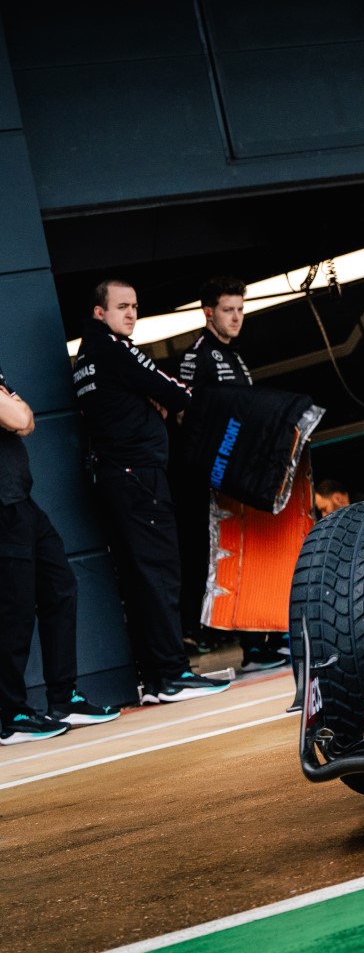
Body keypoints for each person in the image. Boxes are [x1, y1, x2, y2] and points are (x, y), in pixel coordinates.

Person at [72, 280, 231, 703]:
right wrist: (162, 400)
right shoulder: (113, 348)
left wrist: (148, 401)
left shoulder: (85, 358)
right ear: (98, 313)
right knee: (160, 574)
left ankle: (158, 678)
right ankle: (174, 675)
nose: (131, 314)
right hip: (138, 477)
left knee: (142, 579)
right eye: (122, 306)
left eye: (135, 307)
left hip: (115, 478)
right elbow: (173, 390)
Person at [1, 363, 121, 744]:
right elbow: (18, 416)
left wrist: (15, 410)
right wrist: (14, 409)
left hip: (22, 501)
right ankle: (10, 714)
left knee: (60, 588)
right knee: (14, 611)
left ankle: (63, 698)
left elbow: (25, 421)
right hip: (2, 508)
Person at [174, 276, 285, 672]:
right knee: (219, 559)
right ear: (209, 313)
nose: (237, 317)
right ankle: (229, 643)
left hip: (241, 472)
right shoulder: (198, 355)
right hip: (210, 478)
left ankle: (259, 642)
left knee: (250, 553)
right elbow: (185, 415)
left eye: (241, 309)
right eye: (228, 310)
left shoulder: (235, 356)